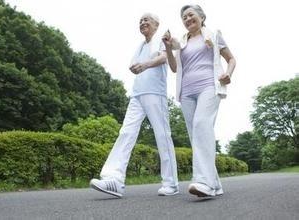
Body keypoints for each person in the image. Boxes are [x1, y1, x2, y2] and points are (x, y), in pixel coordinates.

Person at [90, 13, 179, 198]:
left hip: (156, 94)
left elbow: (164, 58)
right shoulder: (140, 46)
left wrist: (145, 65)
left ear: (156, 24)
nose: (143, 22)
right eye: (140, 21)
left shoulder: (162, 39)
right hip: (137, 95)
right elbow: (134, 65)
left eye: (147, 20)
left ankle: (170, 183)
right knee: (126, 132)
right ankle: (114, 179)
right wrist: (137, 67)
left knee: (162, 136)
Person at [162, 4, 236, 197]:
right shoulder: (182, 43)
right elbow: (174, 68)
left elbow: (231, 59)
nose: (187, 19)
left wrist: (228, 74)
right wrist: (169, 48)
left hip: (209, 86)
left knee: (201, 125)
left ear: (201, 17)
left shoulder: (214, 35)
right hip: (186, 92)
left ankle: (203, 182)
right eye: (184, 17)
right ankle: (215, 183)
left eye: (190, 15)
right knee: (196, 136)